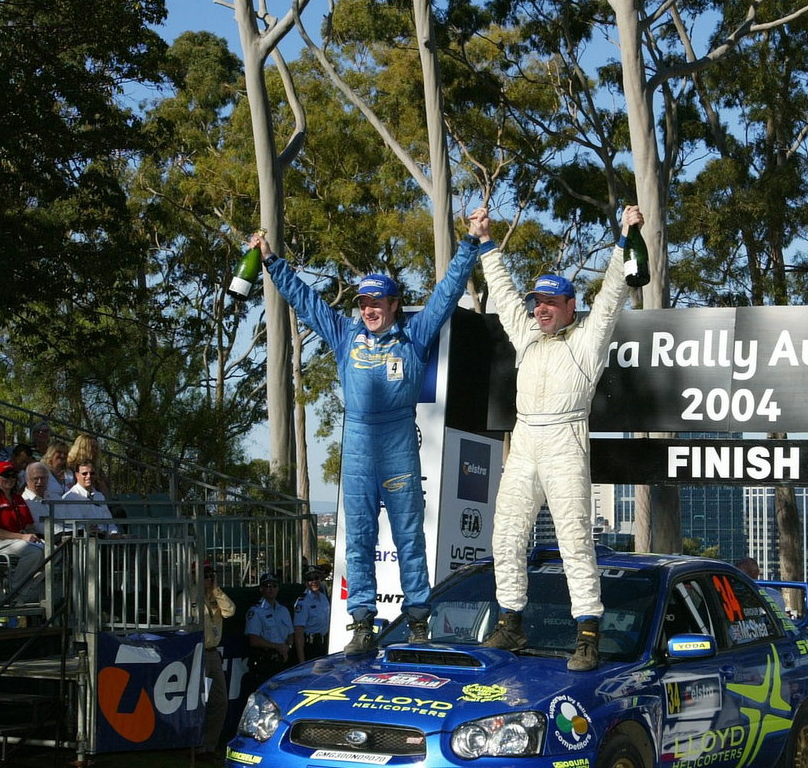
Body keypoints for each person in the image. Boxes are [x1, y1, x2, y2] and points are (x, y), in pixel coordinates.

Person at [256, 228, 483, 654]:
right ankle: (362, 624)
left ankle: (418, 622)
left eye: (377, 303)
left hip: (398, 447)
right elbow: (306, 302)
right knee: (358, 540)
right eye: (364, 303)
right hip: (358, 446)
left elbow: (447, 293)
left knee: (409, 538)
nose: (370, 310)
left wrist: (469, 243)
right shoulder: (345, 335)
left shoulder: (415, 336)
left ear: (394, 305)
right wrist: (271, 261)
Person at [474, 204, 643, 671]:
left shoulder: (588, 341)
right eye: (538, 302)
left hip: (566, 439)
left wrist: (625, 237)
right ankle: (511, 621)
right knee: (505, 535)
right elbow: (504, 293)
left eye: (551, 302)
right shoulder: (525, 333)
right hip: (524, 438)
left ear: (570, 307)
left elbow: (612, 295)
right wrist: (486, 241)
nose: (541, 308)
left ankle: (587, 633)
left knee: (574, 540)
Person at [0, 461, 47, 601]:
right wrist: (22, 537)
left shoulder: (17, 498)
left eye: (13, 476)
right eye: (5, 476)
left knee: (56, 550)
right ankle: (16, 589)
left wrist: (39, 537)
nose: (10, 479)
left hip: (20, 540)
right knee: (33, 551)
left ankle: (25, 588)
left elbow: (28, 526)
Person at [197, 563, 237, 756]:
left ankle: (209, 746)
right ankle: (196, 745)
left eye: (211, 575)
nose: (209, 578)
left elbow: (230, 611)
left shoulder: (215, 596)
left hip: (214, 653)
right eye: (205, 575)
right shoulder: (188, 597)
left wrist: (216, 589)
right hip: (197, 653)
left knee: (220, 701)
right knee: (198, 701)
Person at [244, 573, 293, 689]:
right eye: (267, 586)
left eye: (274, 585)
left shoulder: (284, 610)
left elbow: (291, 633)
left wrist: (287, 647)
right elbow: (254, 640)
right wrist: (277, 647)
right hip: (265, 661)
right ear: (261, 589)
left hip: (283, 659)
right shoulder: (256, 611)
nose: (271, 589)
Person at [62, 463, 118, 536]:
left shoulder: (99, 496)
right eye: (84, 473)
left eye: (92, 473)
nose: (89, 476)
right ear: (77, 475)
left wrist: (114, 533)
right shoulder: (70, 497)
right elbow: (79, 526)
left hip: (104, 539)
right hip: (85, 541)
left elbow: (110, 523)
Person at [293, 564, 333, 663]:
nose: (314, 582)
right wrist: (302, 662)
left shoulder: (323, 598)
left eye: (316, 578)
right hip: (311, 648)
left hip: (324, 646)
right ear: (305, 582)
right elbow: (299, 634)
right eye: (310, 579)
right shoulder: (303, 602)